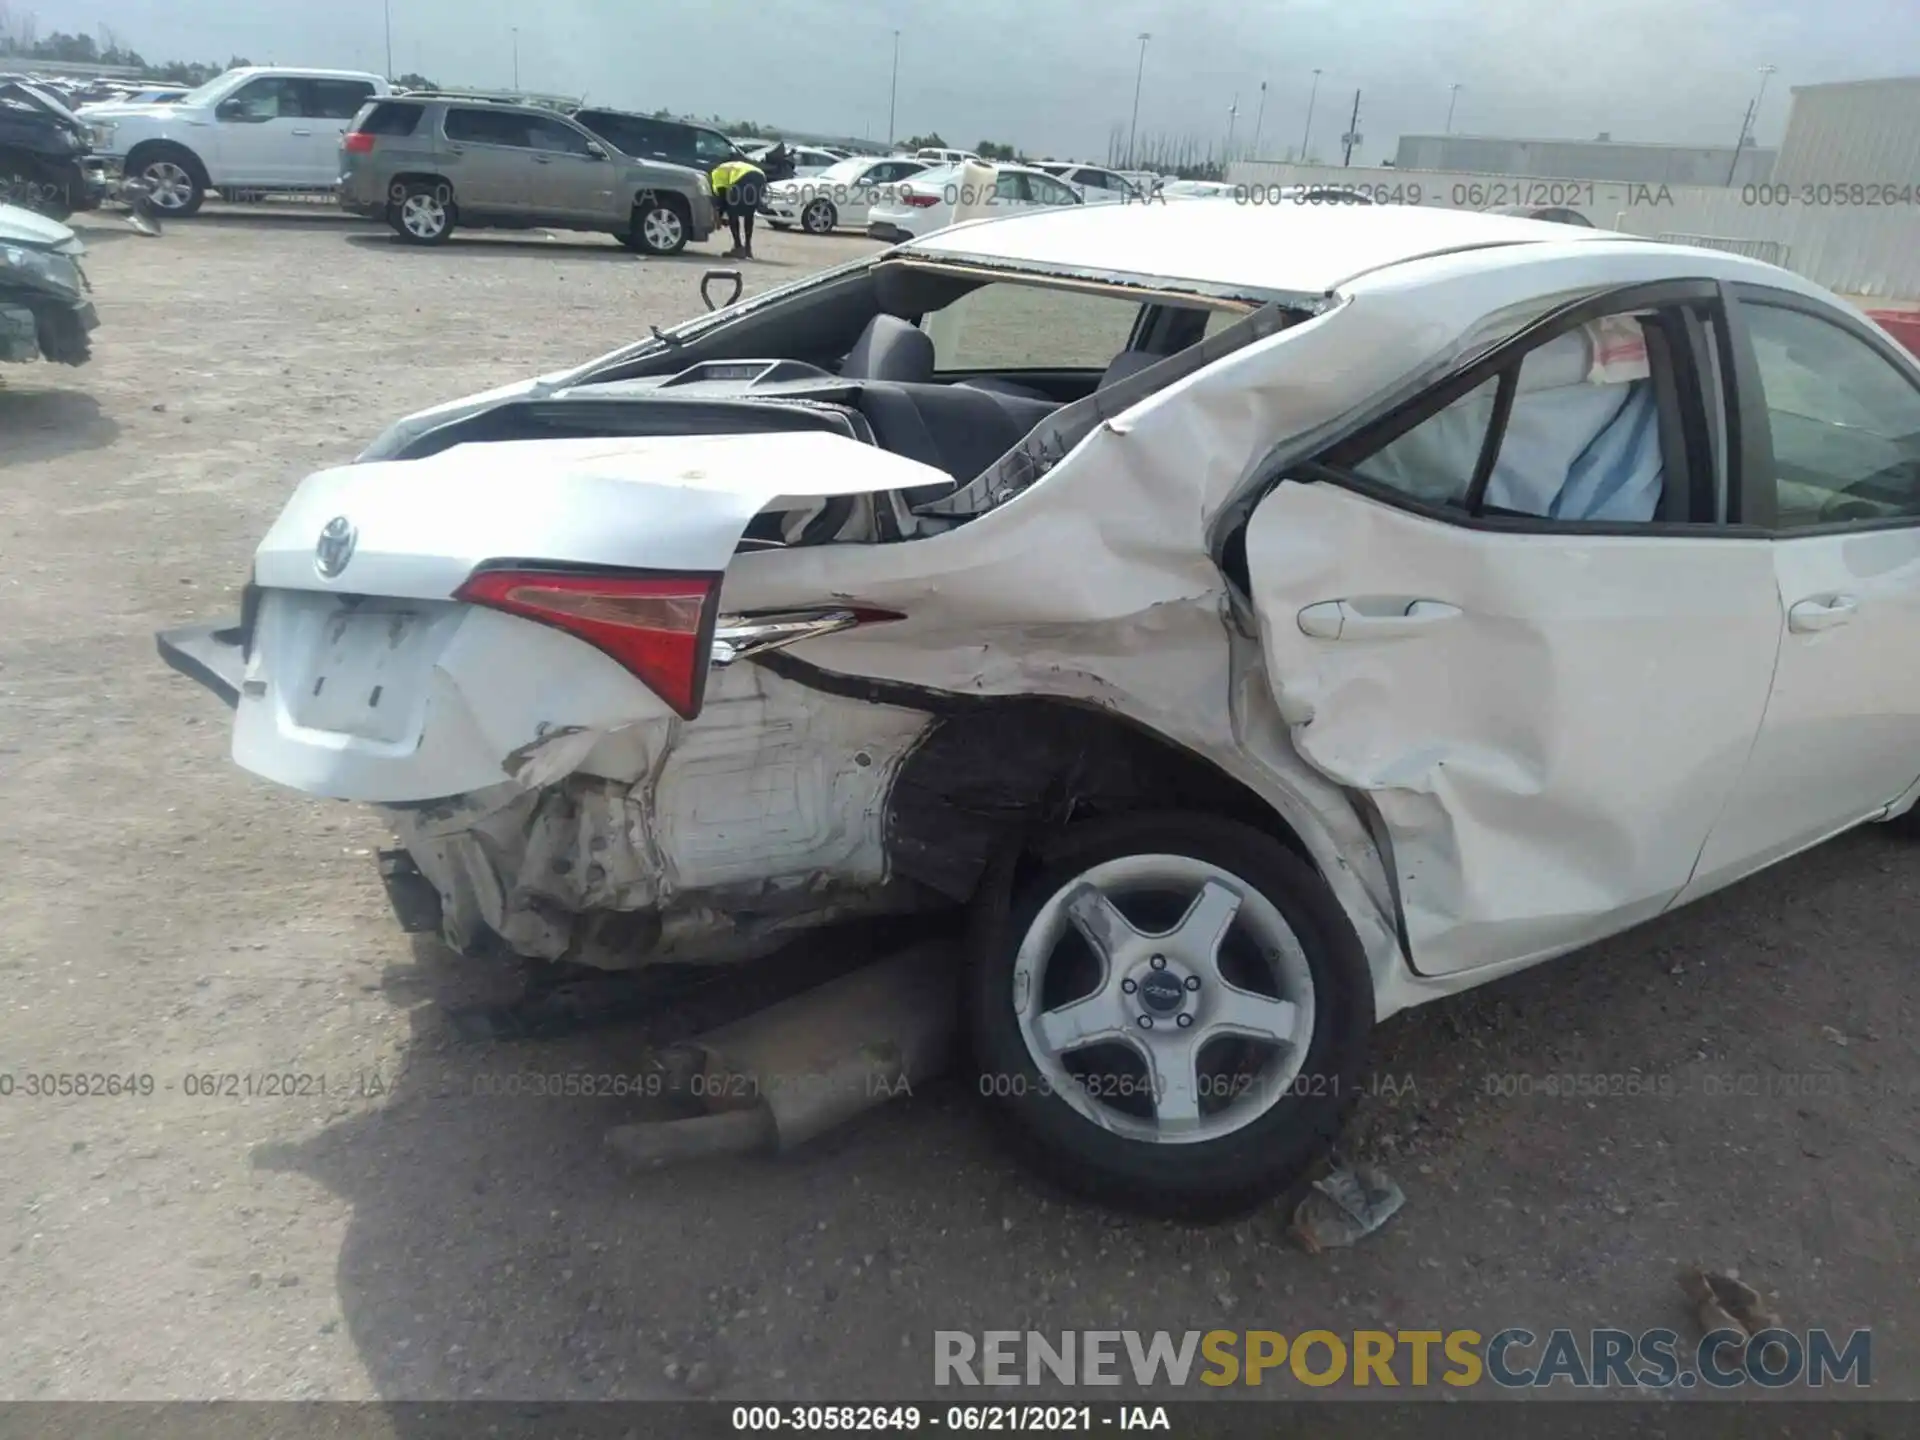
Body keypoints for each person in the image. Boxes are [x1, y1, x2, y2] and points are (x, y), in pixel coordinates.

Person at [709, 154, 768, 259]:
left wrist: (720, 215)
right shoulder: (731, 166)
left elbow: (721, 195)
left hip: (743, 179)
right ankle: (748, 248)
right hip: (761, 177)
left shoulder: (716, 173)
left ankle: (738, 247)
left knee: (733, 213)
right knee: (749, 213)